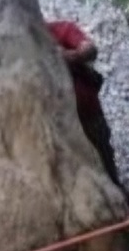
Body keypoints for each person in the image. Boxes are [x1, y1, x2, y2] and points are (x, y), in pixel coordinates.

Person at [47, 20, 121, 187]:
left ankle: (121, 201)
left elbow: (89, 49)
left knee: (105, 161)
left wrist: (68, 57)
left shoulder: (60, 29)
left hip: (88, 115)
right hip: (60, 124)